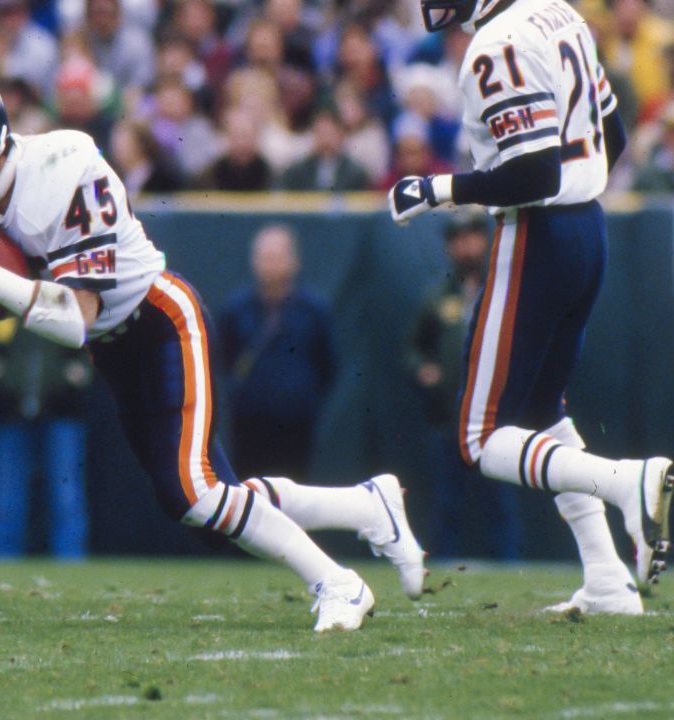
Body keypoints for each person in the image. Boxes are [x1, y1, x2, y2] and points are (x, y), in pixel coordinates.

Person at [0, 69, 425, 631]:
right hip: (116, 350)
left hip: (161, 319)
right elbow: (48, 291)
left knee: (197, 493)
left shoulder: (62, 166)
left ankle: (338, 582)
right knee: (199, 502)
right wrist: (3, 295)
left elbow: (77, 318)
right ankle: (367, 507)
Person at [389, 0, 672, 614]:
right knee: (543, 409)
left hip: (538, 233)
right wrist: (578, 191)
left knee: (477, 436)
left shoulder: (497, 45)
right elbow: (612, 135)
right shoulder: (559, 14)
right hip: (585, 228)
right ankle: (606, 580)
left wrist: (438, 188)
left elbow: (536, 173)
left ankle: (626, 483)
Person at [405, 211, 523, 559]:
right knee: (446, 501)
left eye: (472, 236)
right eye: (458, 239)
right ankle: (442, 569)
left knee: (499, 501)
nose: (466, 246)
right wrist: (423, 369)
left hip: (495, 418)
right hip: (450, 418)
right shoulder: (437, 296)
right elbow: (412, 347)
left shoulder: (500, 289)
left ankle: (509, 567)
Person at [218, 225, 336, 479]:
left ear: (294, 261)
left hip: (295, 427)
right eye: (264, 257)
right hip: (248, 426)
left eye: (277, 257)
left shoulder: (314, 311)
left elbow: (327, 366)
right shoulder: (235, 309)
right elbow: (225, 359)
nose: (270, 265)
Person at [0, 318, 92, 560]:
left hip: (61, 407)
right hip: (10, 409)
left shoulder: (69, 287)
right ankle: (2, 564)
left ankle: (70, 562)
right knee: (8, 495)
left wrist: (81, 368)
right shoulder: (4, 288)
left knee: (65, 493)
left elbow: (94, 333)